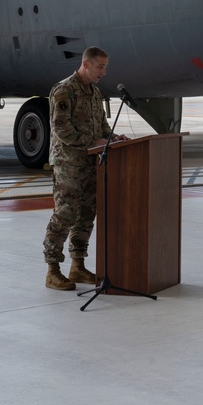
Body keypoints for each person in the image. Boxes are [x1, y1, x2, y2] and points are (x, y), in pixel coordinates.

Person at [42, 46, 127, 290]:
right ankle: (52, 270)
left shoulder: (95, 93)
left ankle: (77, 266)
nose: (104, 72)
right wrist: (93, 143)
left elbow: (101, 126)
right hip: (69, 164)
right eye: (101, 66)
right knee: (65, 214)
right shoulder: (64, 90)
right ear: (86, 64)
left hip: (92, 162)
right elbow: (61, 129)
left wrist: (113, 138)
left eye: (105, 67)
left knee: (87, 214)